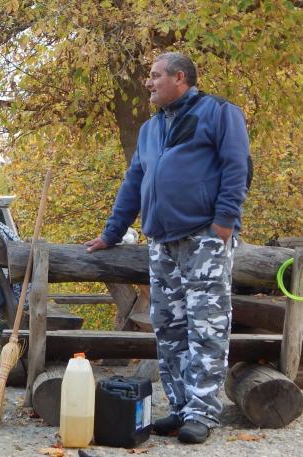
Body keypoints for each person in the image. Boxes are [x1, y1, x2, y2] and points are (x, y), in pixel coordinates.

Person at [85, 52, 250, 444]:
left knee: (206, 327)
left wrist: (223, 224)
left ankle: (201, 412)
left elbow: (236, 167)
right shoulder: (150, 129)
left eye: (156, 76)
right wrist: (111, 232)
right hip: (161, 242)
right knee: (169, 327)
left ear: (180, 78)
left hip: (204, 239)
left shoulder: (220, 113)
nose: (149, 82)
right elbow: (134, 182)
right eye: (149, 76)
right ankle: (179, 407)